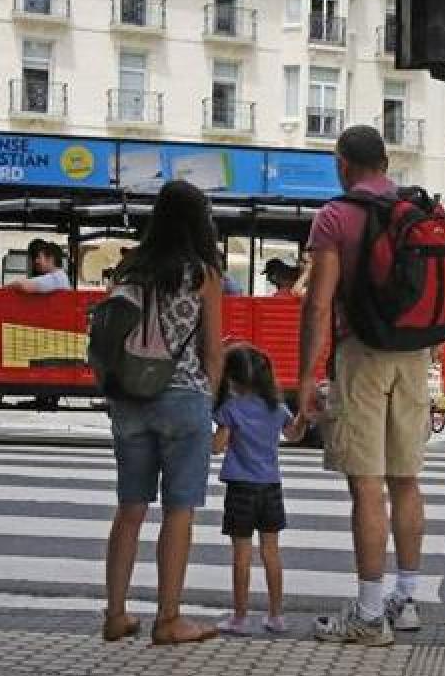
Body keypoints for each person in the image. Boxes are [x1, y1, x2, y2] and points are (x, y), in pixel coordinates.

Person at [293, 125, 445, 646]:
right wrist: (439, 337)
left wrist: (307, 374)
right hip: (415, 357)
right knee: (406, 479)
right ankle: (406, 599)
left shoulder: (337, 215)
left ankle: (369, 614)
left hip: (363, 356)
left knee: (367, 485)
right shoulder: (417, 212)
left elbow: (318, 303)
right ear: (387, 162)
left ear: (343, 164)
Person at [102, 180, 225, 646]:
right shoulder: (201, 273)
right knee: (179, 511)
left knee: (129, 509)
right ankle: (168, 618)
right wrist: (210, 405)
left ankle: (115, 614)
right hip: (183, 398)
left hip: (129, 398)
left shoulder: (130, 267)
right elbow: (213, 350)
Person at [212, 345, 304, 636]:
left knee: (242, 555)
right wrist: (306, 417)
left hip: (241, 489)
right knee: (271, 552)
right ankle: (276, 616)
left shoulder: (230, 409)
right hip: (271, 487)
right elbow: (293, 434)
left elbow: (217, 447)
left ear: (232, 378)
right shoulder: (276, 407)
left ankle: (239, 618)